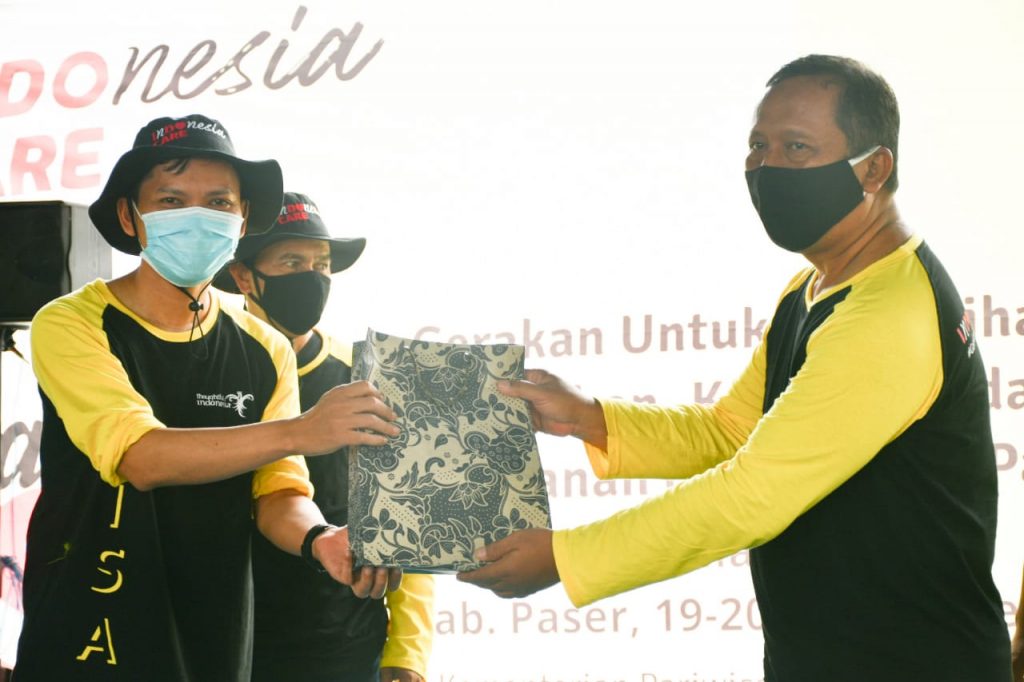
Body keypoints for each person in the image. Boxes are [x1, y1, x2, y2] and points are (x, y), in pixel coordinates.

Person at [458, 55, 1012, 680]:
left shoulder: (889, 312)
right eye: (758, 145)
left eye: (797, 147)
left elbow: (752, 494)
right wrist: (589, 419)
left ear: (874, 169)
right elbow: (732, 432)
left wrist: (568, 558)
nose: (767, 167)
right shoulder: (814, 288)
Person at [14, 115, 401, 682]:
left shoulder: (263, 347)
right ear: (130, 216)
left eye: (219, 202)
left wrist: (322, 540)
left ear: (242, 220)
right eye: (171, 200)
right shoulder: (73, 322)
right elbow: (140, 457)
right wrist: (302, 430)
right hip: (92, 624)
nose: (197, 217)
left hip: (214, 631)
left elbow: (279, 493)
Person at [215, 192, 434, 682]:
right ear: (244, 276)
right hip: (218, 639)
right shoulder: (208, 367)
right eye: (292, 262)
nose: (311, 277)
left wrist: (407, 653)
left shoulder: (369, 379)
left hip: (339, 645)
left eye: (322, 264)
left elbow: (409, 522)